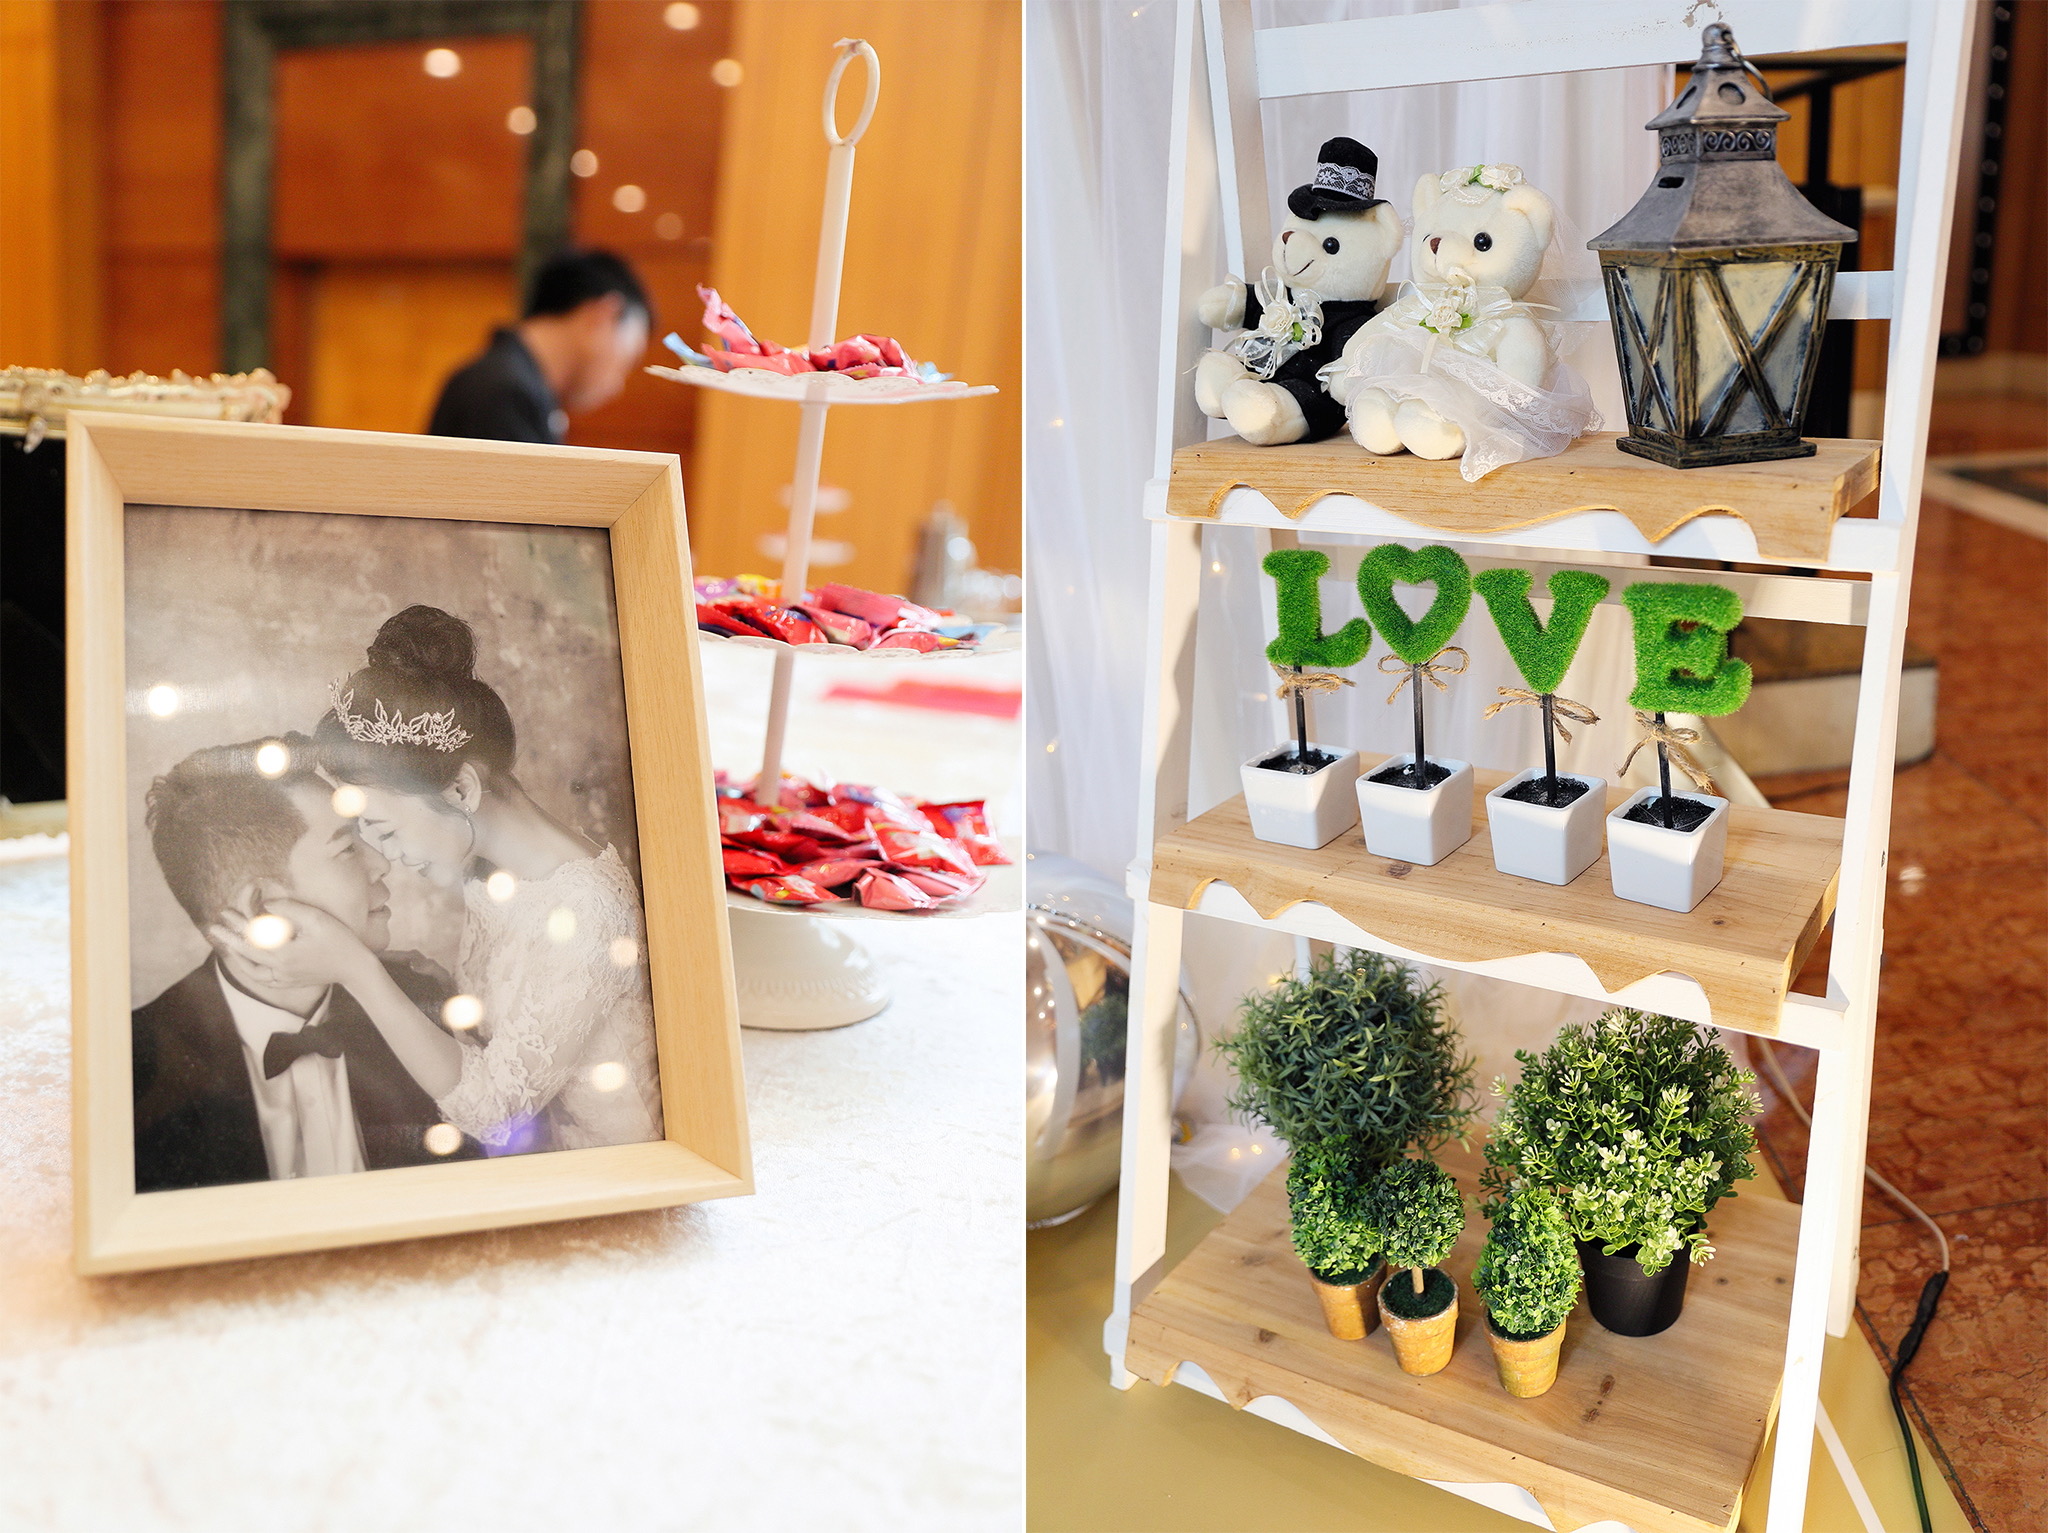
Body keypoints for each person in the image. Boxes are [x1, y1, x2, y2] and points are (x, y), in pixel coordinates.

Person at [209, 606, 664, 1157]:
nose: (386, 858)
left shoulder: (586, 911)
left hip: (622, 1170)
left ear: (460, 790)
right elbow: (526, 1020)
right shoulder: (494, 874)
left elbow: (497, 1111)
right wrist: (437, 982)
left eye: (383, 828)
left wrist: (358, 971)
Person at [132, 736, 481, 1193]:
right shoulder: (136, 1065)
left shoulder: (421, 1001)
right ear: (262, 907)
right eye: (346, 848)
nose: (381, 863)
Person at [426, 249, 653, 444]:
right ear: (602, 315)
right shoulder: (505, 393)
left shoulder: (511, 384)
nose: (618, 385)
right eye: (628, 362)